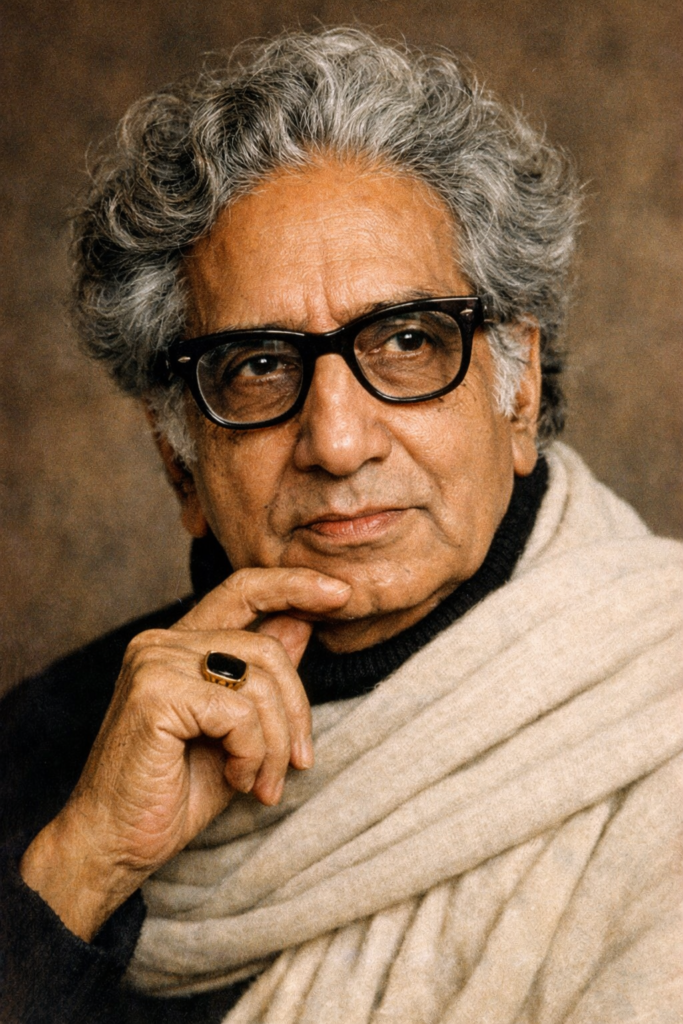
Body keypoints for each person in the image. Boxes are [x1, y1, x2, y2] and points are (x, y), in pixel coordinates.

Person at [1, 27, 681, 1024]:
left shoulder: (663, 711)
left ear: (518, 391)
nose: (337, 441)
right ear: (179, 459)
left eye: (406, 341)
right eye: (258, 365)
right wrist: (84, 865)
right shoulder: (42, 751)